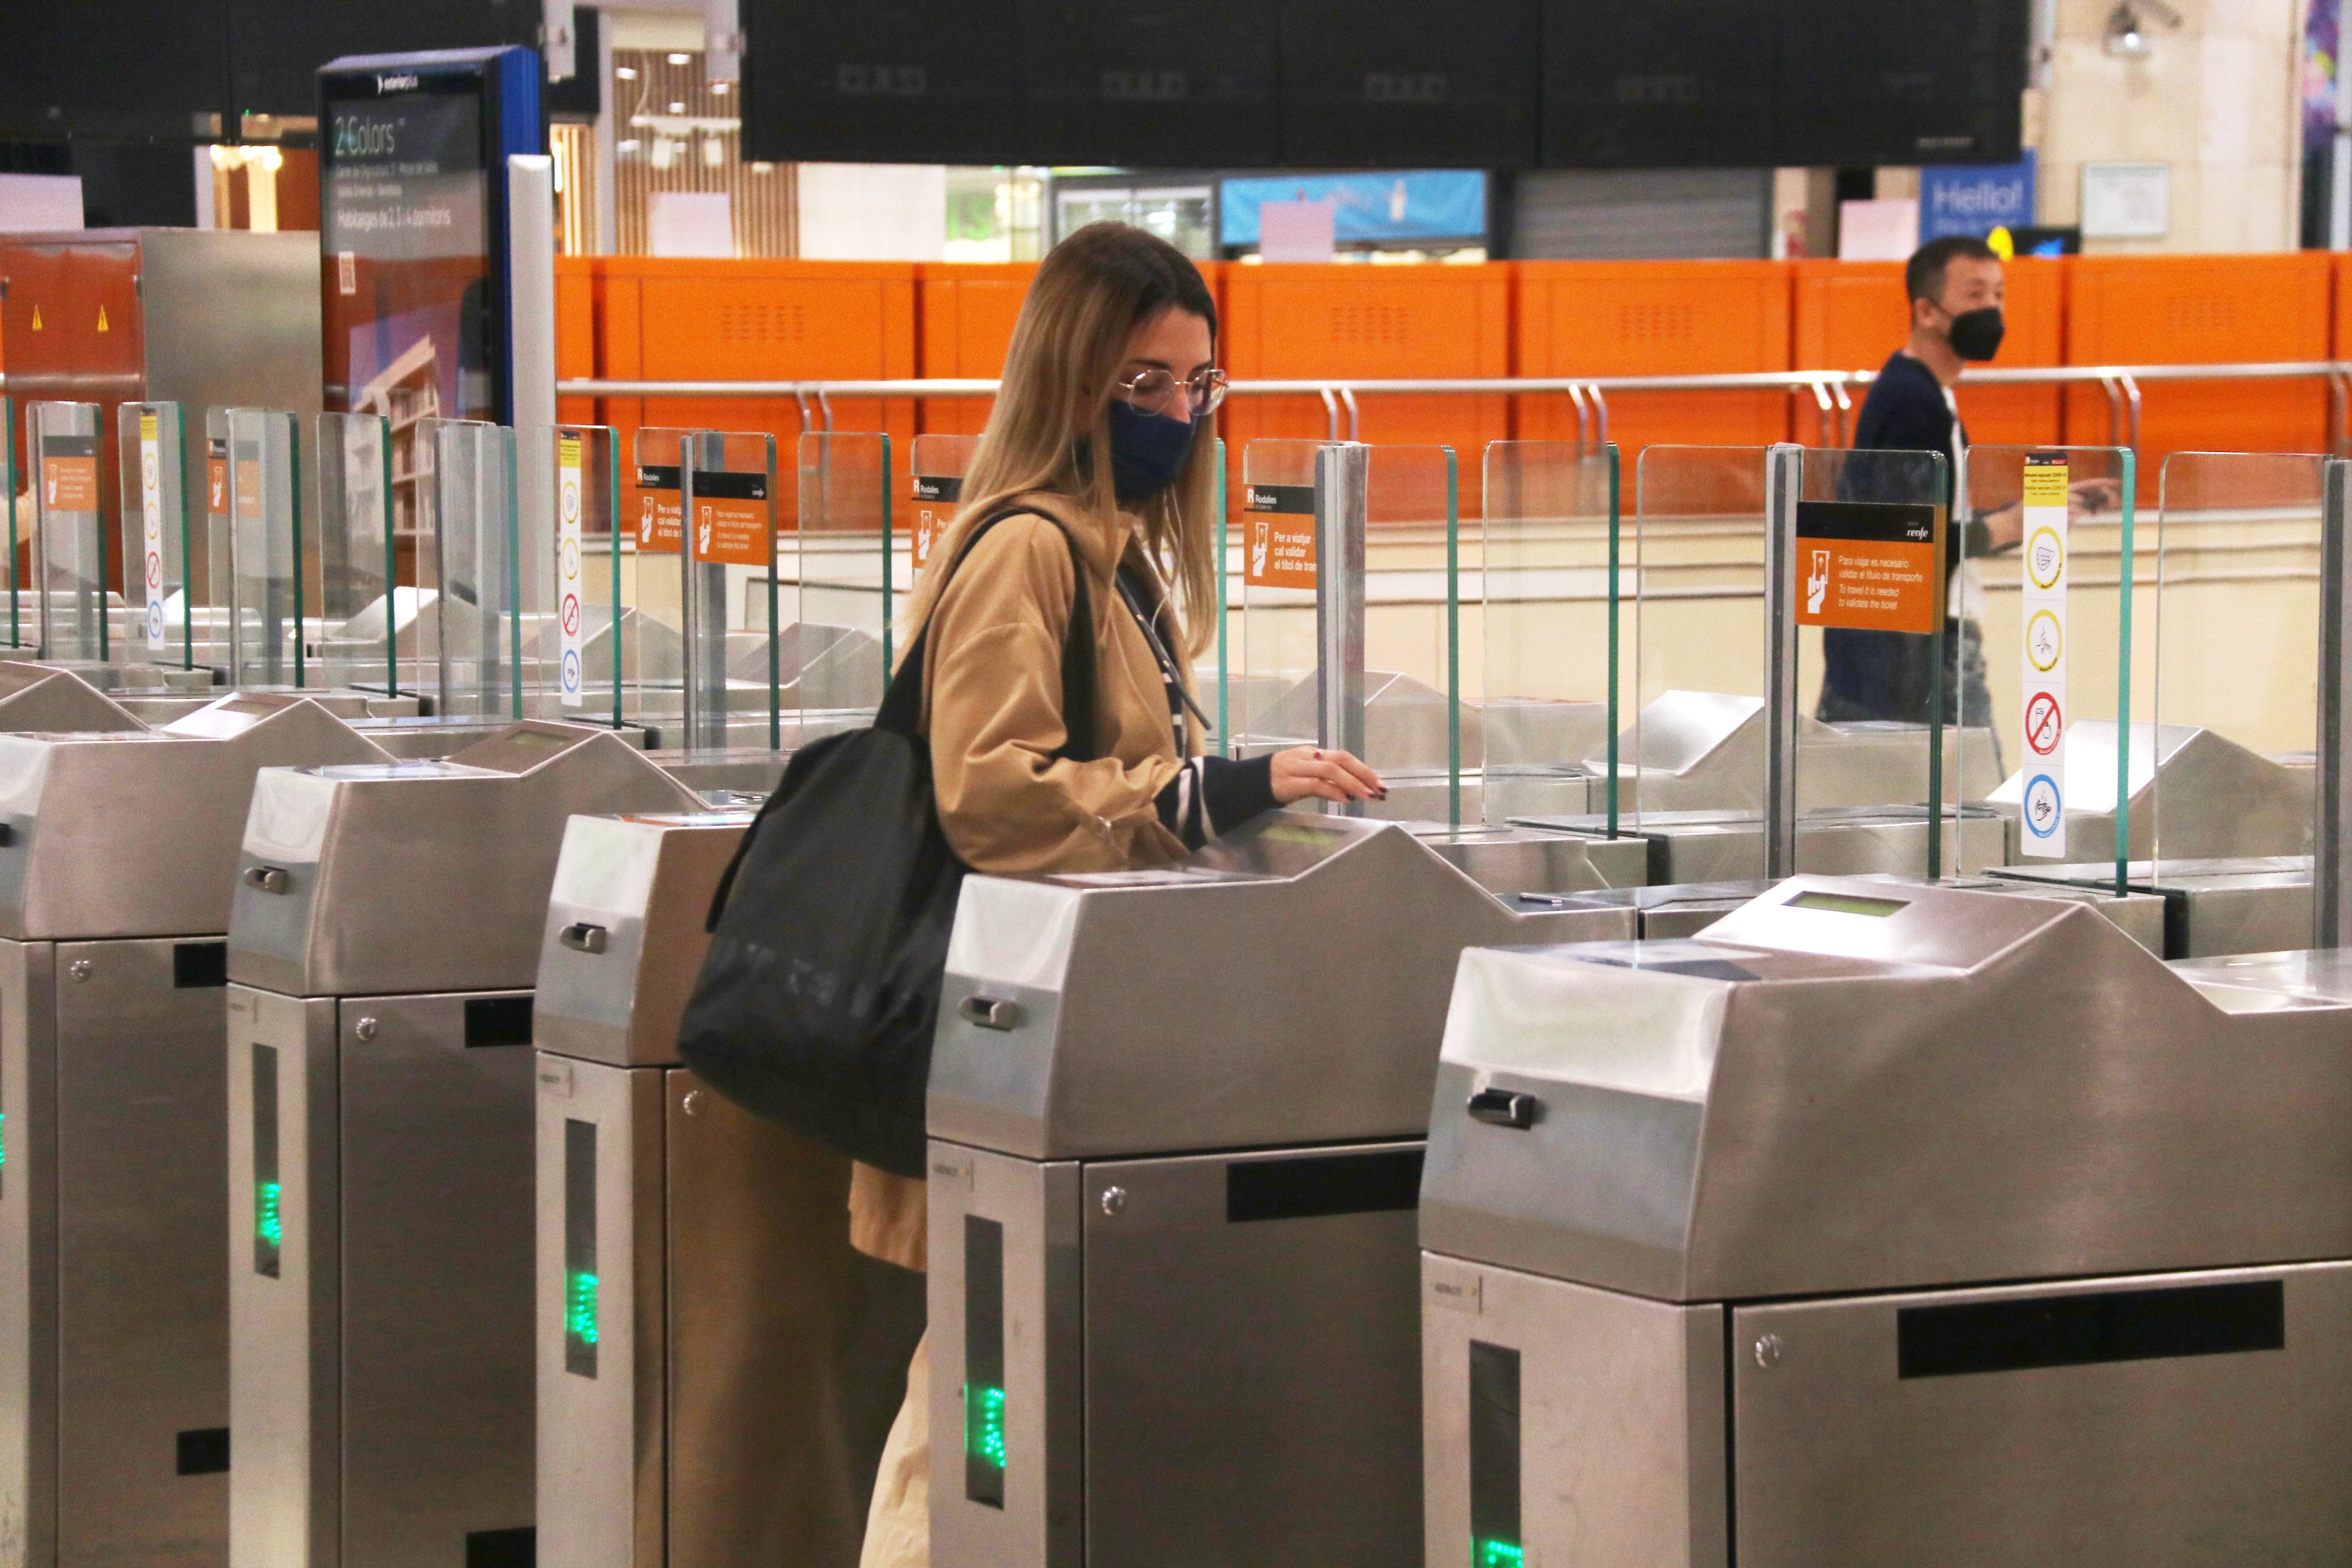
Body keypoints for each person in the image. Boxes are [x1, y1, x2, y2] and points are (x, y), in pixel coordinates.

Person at [850, 221, 1383, 1568]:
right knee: (968, 1409)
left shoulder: (1112, 554)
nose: (1174, 415)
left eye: (1196, 386)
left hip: (1060, 1041)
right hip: (1002, 1031)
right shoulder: (1030, 547)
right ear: (1069, 380)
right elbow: (992, 790)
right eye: (1141, 384)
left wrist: (1224, 781)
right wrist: (1212, 791)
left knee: (987, 1400)